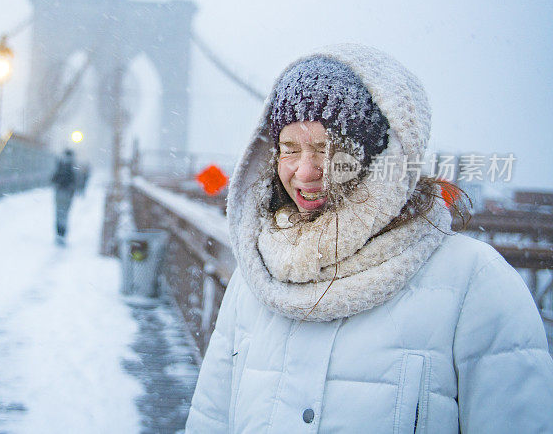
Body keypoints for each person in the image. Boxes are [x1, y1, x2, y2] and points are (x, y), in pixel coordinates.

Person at [186, 44, 553, 432]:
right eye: (289, 149)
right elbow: (210, 419)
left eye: (326, 149)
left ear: (377, 157)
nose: (304, 171)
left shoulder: (474, 283)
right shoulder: (254, 273)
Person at [51, 149, 77, 245]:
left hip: (60, 193)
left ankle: (59, 234)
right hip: (66, 194)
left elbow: (53, 179)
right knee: (64, 215)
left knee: (59, 214)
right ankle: (61, 234)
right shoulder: (71, 167)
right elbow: (75, 181)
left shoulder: (61, 165)